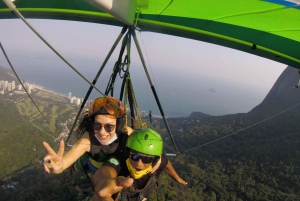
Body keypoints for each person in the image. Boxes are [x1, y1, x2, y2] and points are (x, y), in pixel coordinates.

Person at [92, 128, 188, 201]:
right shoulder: (120, 161)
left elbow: (166, 163)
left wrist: (176, 178)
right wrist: (103, 182)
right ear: (127, 152)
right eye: (135, 156)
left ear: (155, 160)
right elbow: (106, 171)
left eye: (146, 159)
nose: (139, 163)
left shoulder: (158, 162)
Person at [43, 96, 130, 175]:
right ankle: (82, 161)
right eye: (97, 125)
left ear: (118, 126)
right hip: (90, 164)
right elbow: (64, 163)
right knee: (76, 168)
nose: (102, 132)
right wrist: (60, 166)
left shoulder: (125, 133)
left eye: (109, 126)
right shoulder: (86, 142)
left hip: (108, 167)